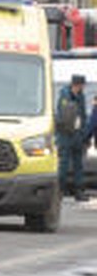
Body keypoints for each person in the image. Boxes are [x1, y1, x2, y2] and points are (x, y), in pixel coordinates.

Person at [55, 73, 89, 202]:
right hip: (65, 134)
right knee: (63, 164)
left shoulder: (81, 96)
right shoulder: (64, 95)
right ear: (76, 85)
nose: (82, 88)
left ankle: (78, 191)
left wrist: (84, 134)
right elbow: (63, 115)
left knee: (78, 164)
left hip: (77, 134)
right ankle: (59, 191)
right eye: (81, 86)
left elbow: (84, 115)